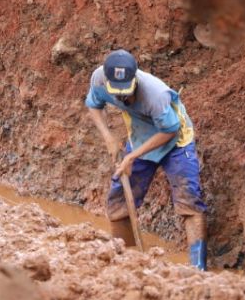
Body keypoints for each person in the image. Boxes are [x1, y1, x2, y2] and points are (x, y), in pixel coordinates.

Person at [85, 49, 208, 270]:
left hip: (176, 141)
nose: (122, 98)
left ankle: (197, 270)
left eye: (127, 92)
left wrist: (132, 155)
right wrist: (109, 138)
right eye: (118, 93)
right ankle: (125, 259)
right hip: (141, 136)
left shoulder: (155, 94)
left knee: (189, 200)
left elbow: (170, 130)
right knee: (119, 196)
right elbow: (94, 105)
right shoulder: (99, 78)